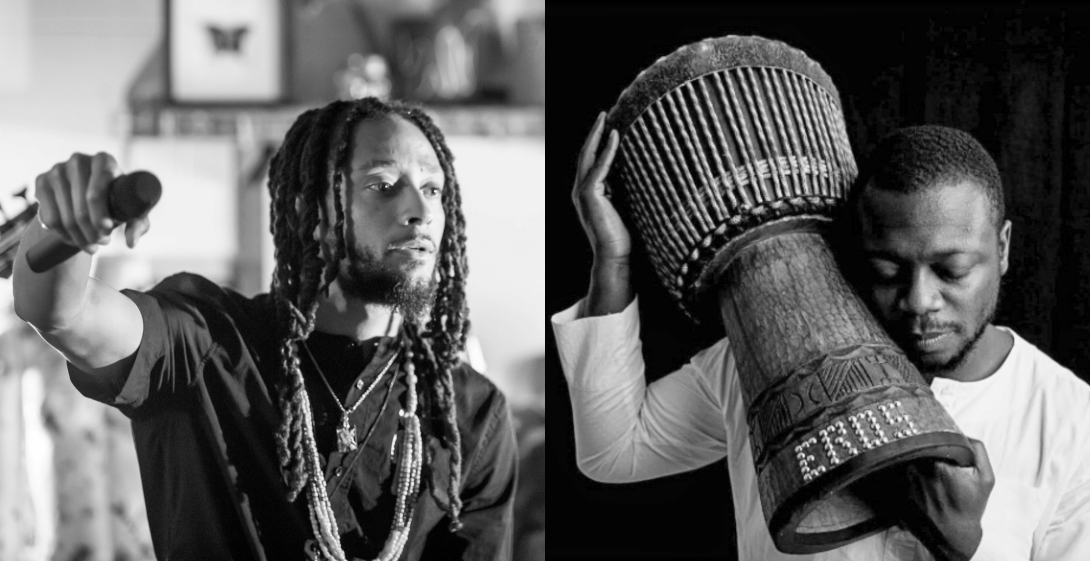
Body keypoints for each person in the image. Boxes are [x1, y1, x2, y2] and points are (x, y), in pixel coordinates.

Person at [553, 117, 1090, 560]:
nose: (919, 300)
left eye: (951, 270)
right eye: (887, 270)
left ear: (1002, 248)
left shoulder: (1069, 421)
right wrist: (612, 257)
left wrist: (961, 550)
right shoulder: (768, 353)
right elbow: (613, 452)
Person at [13, 97, 517, 561]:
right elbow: (65, 313)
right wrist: (64, 225)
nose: (422, 210)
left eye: (433, 189)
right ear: (311, 213)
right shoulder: (207, 341)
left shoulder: (469, 411)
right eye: (382, 185)